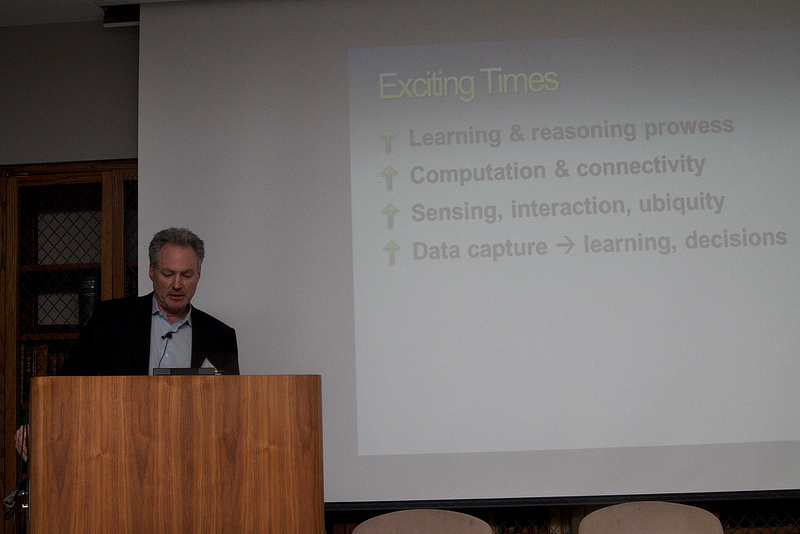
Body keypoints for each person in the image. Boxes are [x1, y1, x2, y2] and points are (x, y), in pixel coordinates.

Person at [15, 227, 239, 460]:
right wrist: (37, 423)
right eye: (168, 274)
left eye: (186, 275)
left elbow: (231, 409)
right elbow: (67, 384)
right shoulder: (112, 319)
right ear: (151, 271)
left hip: (192, 456)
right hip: (118, 453)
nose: (177, 284)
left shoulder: (219, 335)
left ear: (199, 274)